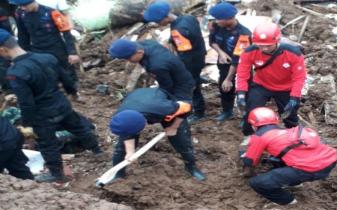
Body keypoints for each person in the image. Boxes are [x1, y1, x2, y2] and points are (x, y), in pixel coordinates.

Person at [0, 29, 101, 184]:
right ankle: (97, 151)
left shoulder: (16, 72)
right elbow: (66, 79)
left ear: (3, 49)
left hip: (43, 114)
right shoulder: (46, 57)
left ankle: (56, 173)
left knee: (47, 144)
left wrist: (27, 123)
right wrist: (72, 92)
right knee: (79, 128)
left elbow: (27, 102)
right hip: (61, 103)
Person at [241, 107, 337, 205]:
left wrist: (247, 171)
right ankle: (295, 183)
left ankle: (288, 201)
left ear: (253, 125)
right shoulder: (287, 132)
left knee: (257, 183)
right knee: (276, 159)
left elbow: (250, 161)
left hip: (309, 169)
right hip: (329, 161)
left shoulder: (260, 137)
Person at [109, 87, 205, 181]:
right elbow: (126, 134)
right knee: (122, 148)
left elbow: (187, 107)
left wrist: (174, 127)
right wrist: (130, 152)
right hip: (137, 100)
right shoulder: (122, 117)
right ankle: (118, 174)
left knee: (181, 141)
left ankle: (191, 167)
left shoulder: (165, 109)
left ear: (145, 123)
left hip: (159, 103)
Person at [236, 22, 307, 145]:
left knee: (290, 113)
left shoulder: (293, 53)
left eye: (268, 46)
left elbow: (299, 77)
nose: (264, 49)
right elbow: (242, 74)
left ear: (277, 41)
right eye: (260, 46)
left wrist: (295, 97)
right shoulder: (249, 52)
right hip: (261, 85)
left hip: (286, 87)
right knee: (251, 111)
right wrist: (241, 94)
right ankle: (249, 136)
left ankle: (294, 136)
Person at [144, 1, 207, 123]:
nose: (157, 24)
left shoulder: (178, 30)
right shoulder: (187, 18)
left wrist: (179, 68)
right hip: (200, 54)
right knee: (194, 79)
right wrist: (171, 39)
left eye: (158, 21)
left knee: (190, 85)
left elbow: (185, 53)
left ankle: (199, 111)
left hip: (190, 60)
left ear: (165, 17)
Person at [11, 0, 82, 102]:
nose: (23, 8)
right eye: (21, 6)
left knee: (66, 73)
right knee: (45, 74)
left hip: (57, 48)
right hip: (37, 49)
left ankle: (74, 92)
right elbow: (23, 36)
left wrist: (72, 52)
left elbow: (66, 32)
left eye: (25, 5)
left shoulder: (51, 13)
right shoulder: (20, 14)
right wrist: (22, 55)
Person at [108, 38, 195, 104]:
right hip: (176, 71)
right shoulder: (146, 43)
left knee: (178, 109)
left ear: (139, 52)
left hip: (181, 85)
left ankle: (183, 126)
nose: (128, 61)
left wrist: (161, 98)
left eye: (128, 58)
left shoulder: (156, 65)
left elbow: (167, 86)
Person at [208, 2, 252, 122]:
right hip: (224, 65)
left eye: (219, 19)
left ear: (229, 19)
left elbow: (238, 59)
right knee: (225, 89)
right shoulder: (217, 26)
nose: (216, 21)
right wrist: (221, 53)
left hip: (241, 68)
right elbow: (212, 42)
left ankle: (246, 118)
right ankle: (227, 112)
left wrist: (229, 79)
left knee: (244, 93)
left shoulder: (243, 34)